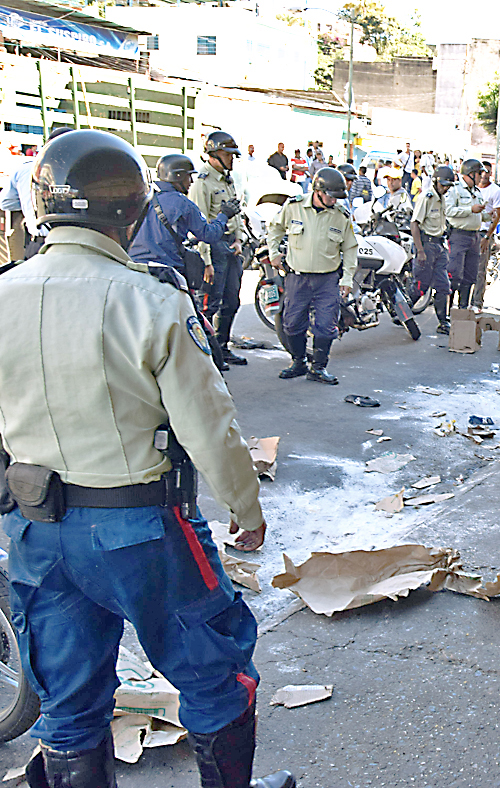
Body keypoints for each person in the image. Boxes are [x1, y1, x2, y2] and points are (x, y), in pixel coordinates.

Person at [0, 128, 291, 788]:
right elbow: (209, 425)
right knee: (216, 673)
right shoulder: (150, 299)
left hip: (37, 531)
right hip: (141, 532)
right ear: (132, 211)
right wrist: (246, 508)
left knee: (69, 700)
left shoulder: (4, 292)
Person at [267, 167, 358, 385]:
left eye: (338, 197)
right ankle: (298, 362)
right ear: (318, 191)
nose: (334, 201)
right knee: (292, 323)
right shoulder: (294, 207)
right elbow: (275, 228)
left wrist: (347, 278)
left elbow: (351, 248)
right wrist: (274, 253)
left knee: (327, 326)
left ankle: (318, 368)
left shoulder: (340, 216)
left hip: (327, 279)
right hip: (297, 278)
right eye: (331, 196)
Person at [128, 154, 240, 312]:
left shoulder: (141, 197)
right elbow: (209, 234)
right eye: (189, 177)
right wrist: (224, 215)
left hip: (134, 270)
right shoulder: (181, 203)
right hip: (166, 274)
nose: (191, 182)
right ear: (177, 176)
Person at [188, 130, 249, 366]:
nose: (232, 159)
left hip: (230, 246)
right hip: (213, 247)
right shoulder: (202, 182)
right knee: (210, 303)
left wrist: (238, 240)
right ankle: (206, 353)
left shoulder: (227, 179)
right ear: (214, 154)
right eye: (228, 154)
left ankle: (222, 347)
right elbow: (200, 224)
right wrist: (206, 261)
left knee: (231, 301)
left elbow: (236, 214)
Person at [0, 127, 73, 259]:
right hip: (70, 244)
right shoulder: (76, 169)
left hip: (37, 243)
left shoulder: (24, 168)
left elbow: (6, 203)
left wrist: (29, 206)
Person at [410, 165, 455, 336]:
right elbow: (414, 224)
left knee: (444, 286)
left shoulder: (441, 197)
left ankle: (443, 322)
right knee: (421, 286)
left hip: (439, 245)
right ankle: (402, 312)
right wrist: (420, 251)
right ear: (436, 182)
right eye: (443, 185)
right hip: (426, 245)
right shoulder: (426, 197)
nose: (446, 188)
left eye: (448, 186)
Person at [443, 159, 487, 309]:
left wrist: (487, 215)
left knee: (470, 275)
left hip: (474, 236)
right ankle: (447, 312)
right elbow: (448, 211)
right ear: (471, 173)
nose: (481, 177)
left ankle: (463, 309)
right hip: (458, 236)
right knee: (454, 275)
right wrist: (470, 210)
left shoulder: (477, 191)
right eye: (479, 173)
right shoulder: (454, 190)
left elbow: (479, 214)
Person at [472, 165, 500, 310]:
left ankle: (477, 303)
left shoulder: (495, 191)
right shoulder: (471, 189)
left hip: (484, 234)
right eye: (481, 172)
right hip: (469, 232)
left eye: (487, 172)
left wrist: (487, 236)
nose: (484, 175)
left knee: (480, 270)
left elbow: (496, 216)